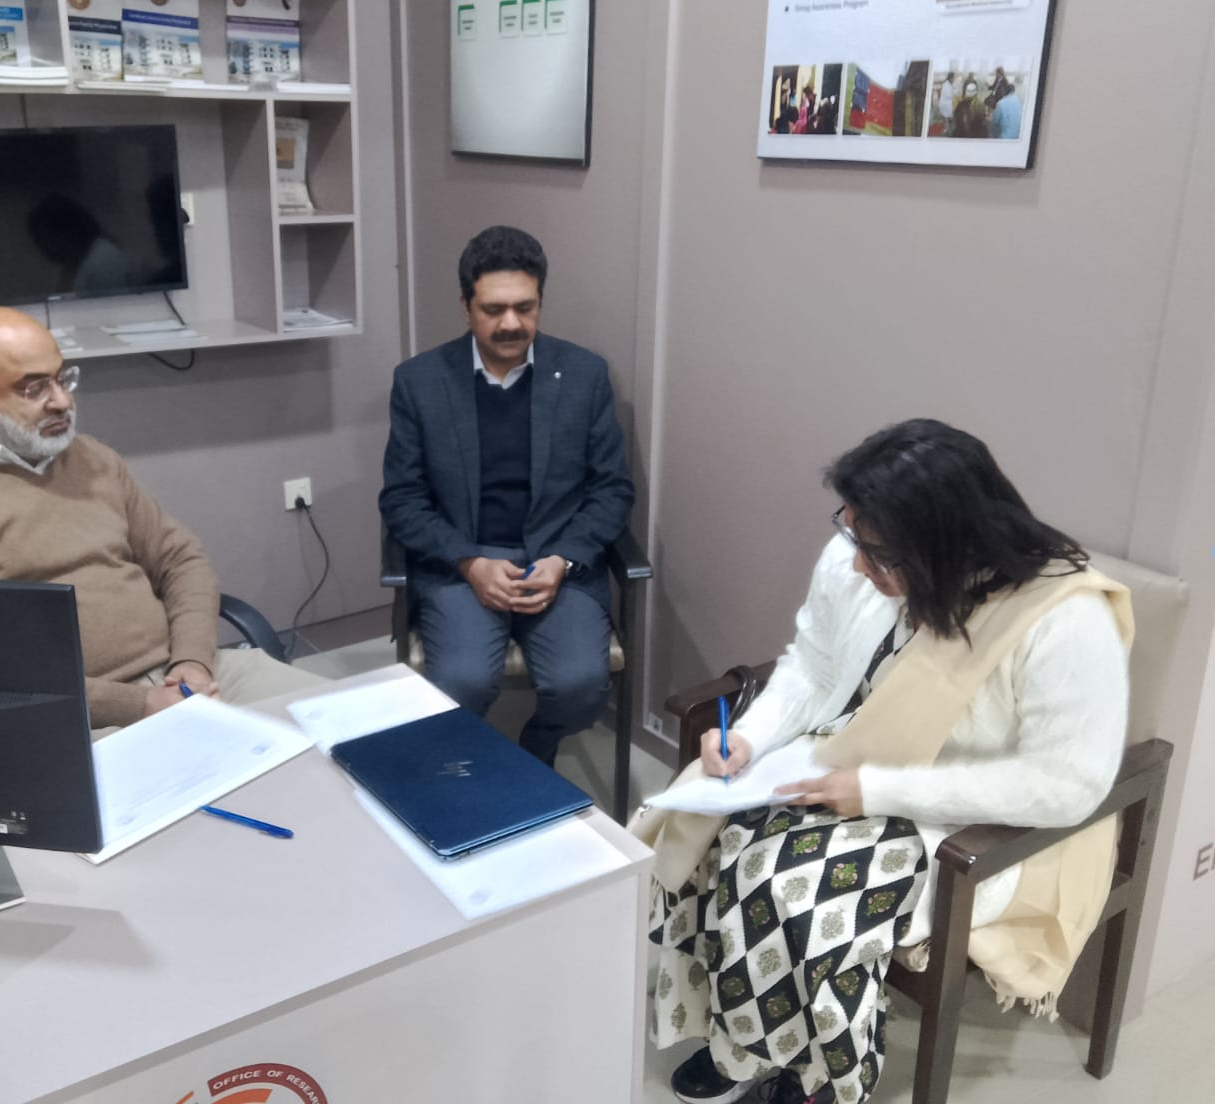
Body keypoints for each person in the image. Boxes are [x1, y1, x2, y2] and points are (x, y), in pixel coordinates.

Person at [633, 419, 1130, 1104]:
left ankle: (819, 1079)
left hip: (964, 814)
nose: (858, 566)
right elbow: (812, 663)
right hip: (855, 753)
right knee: (711, 829)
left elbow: (1067, 784)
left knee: (796, 891)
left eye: (879, 554)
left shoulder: (1061, 620)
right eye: (852, 534)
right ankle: (741, 1044)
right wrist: (749, 737)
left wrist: (874, 790)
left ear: (947, 545)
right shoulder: (863, 555)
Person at [0, 306, 324, 728]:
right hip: (75, 717)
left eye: (63, 379)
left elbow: (181, 559)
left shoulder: (90, 457)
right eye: (34, 388)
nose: (62, 401)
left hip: (192, 679)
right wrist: (139, 704)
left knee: (348, 731)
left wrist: (193, 662)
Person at [379, 225, 634, 765]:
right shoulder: (420, 382)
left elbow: (612, 488)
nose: (511, 323)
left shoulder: (584, 375)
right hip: (463, 561)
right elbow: (402, 498)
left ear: (540, 301)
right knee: (461, 683)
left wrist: (563, 559)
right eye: (493, 309)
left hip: (555, 560)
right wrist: (469, 562)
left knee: (582, 686)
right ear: (466, 306)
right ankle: (478, 778)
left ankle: (535, 750)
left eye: (525, 307)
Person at [936, 71, 956, 137]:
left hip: (947, 102)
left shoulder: (949, 84)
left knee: (952, 111)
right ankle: (947, 129)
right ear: (950, 78)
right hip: (945, 103)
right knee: (950, 113)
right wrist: (953, 92)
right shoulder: (946, 85)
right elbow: (948, 95)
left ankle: (948, 127)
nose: (954, 79)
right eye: (953, 78)